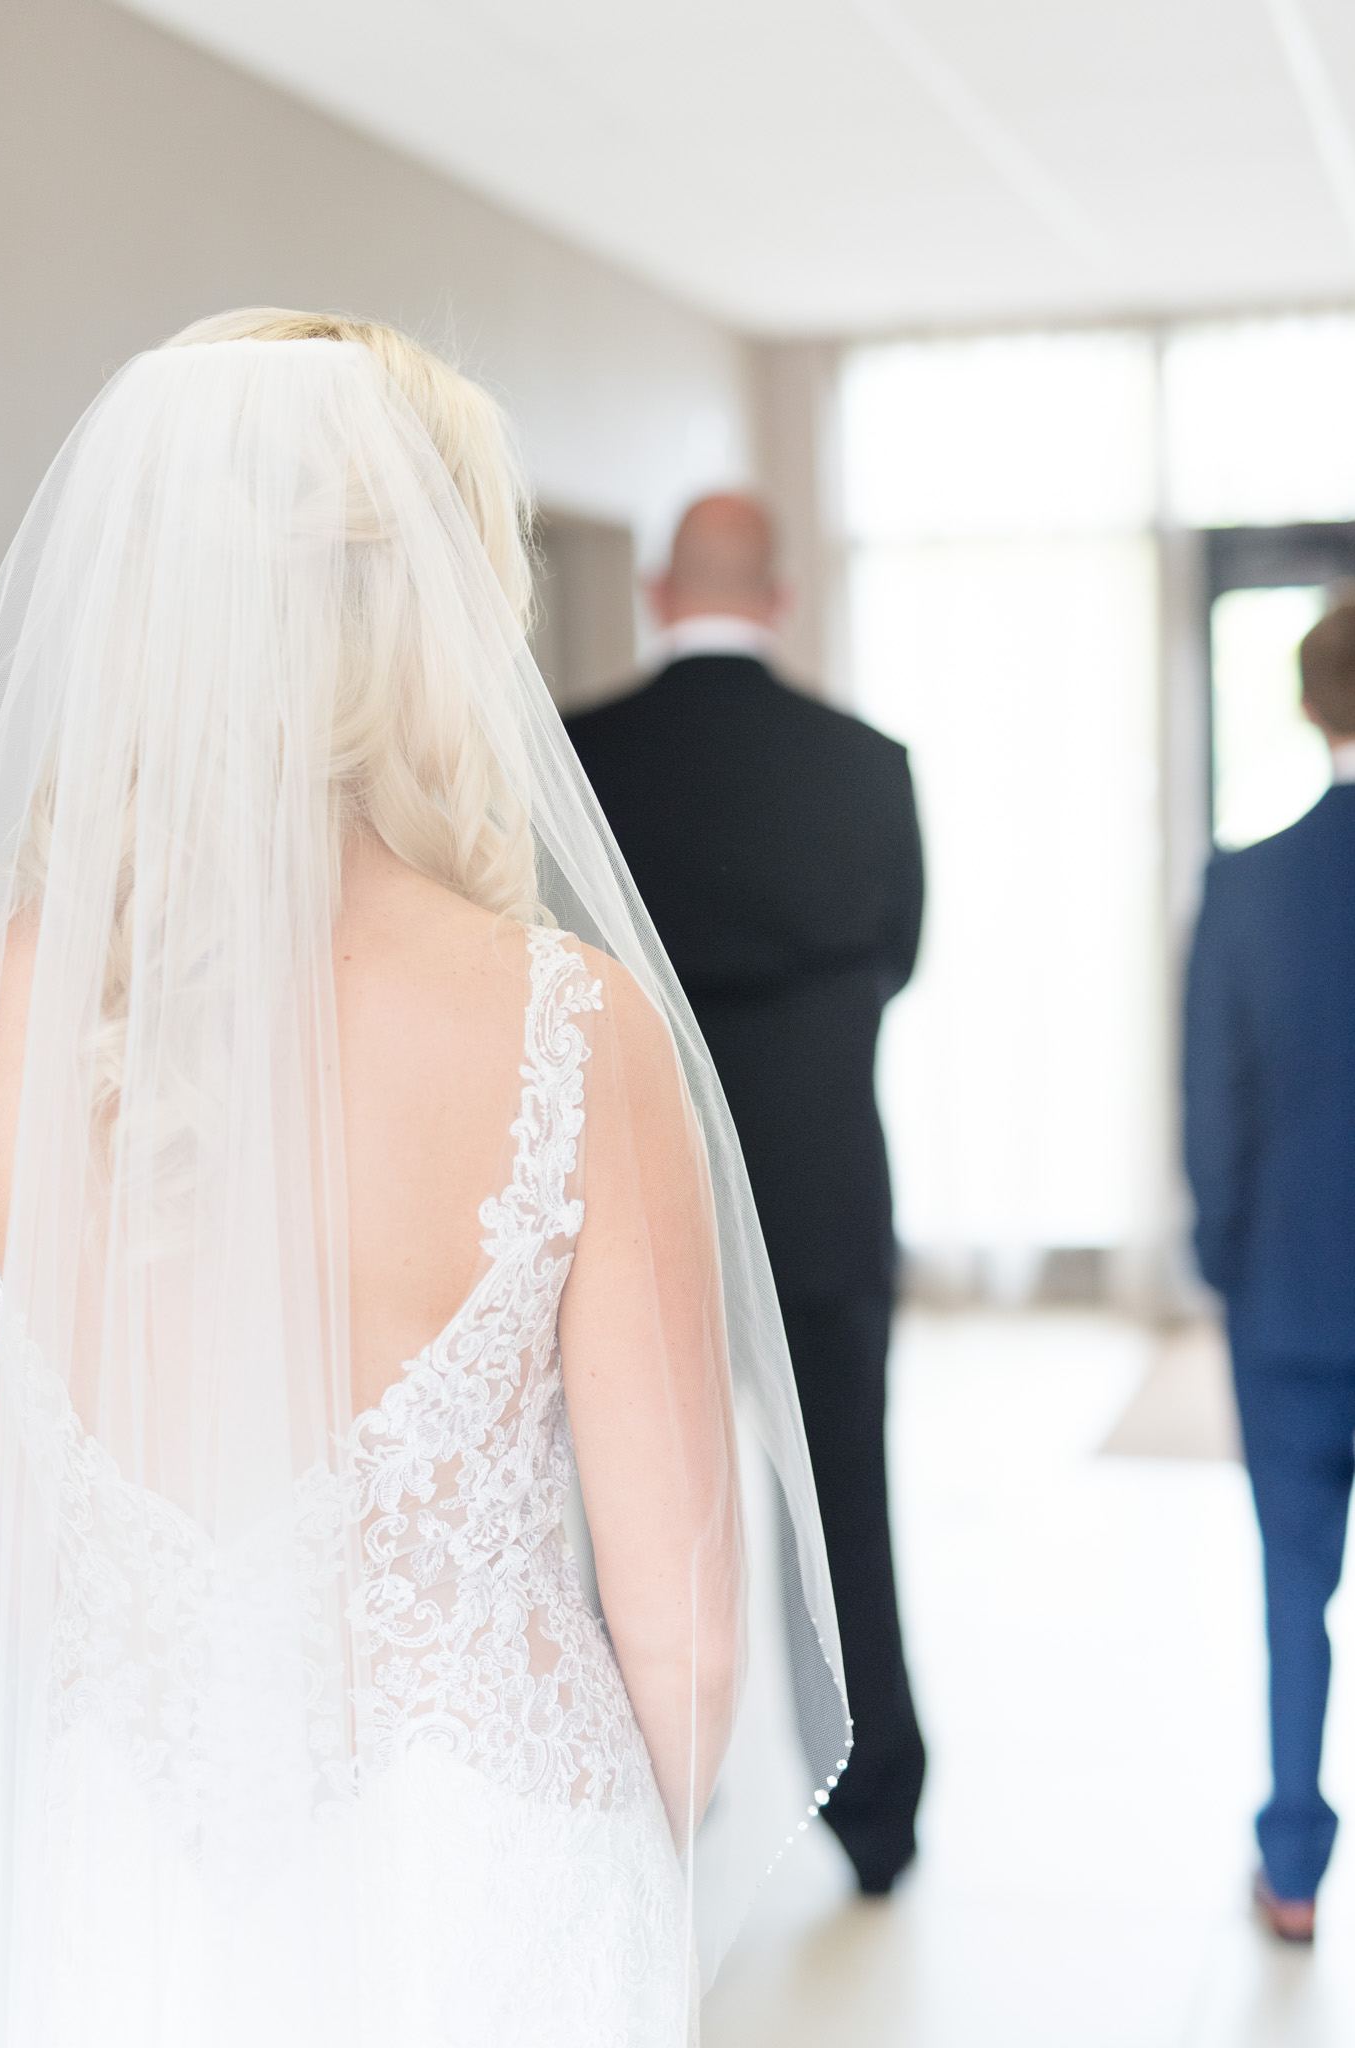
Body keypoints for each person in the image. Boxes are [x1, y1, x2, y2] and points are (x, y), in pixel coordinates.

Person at [0, 314, 850, 2045]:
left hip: (104, 1877)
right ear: (432, 628)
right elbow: (684, 1634)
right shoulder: (568, 1028)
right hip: (485, 1896)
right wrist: (617, 1872)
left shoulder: (6, 1008)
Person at [566, 494, 926, 1894]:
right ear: (778, 596)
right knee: (849, 1515)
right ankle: (877, 1813)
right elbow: (900, 953)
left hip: (634, 1209)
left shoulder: (584, 755)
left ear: (661, 590)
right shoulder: (866, 765)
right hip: (826, 1193)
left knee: (640, 1511)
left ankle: (655, 1803)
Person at [1185, 600, 1355, 1945]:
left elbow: (1213, 1109)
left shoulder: (1245, 881)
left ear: (1310, 706)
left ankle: (1292, 1867)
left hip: (1291, 1293)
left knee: (1292, 1583)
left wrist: (1224, 1260)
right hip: (1291, 1285)